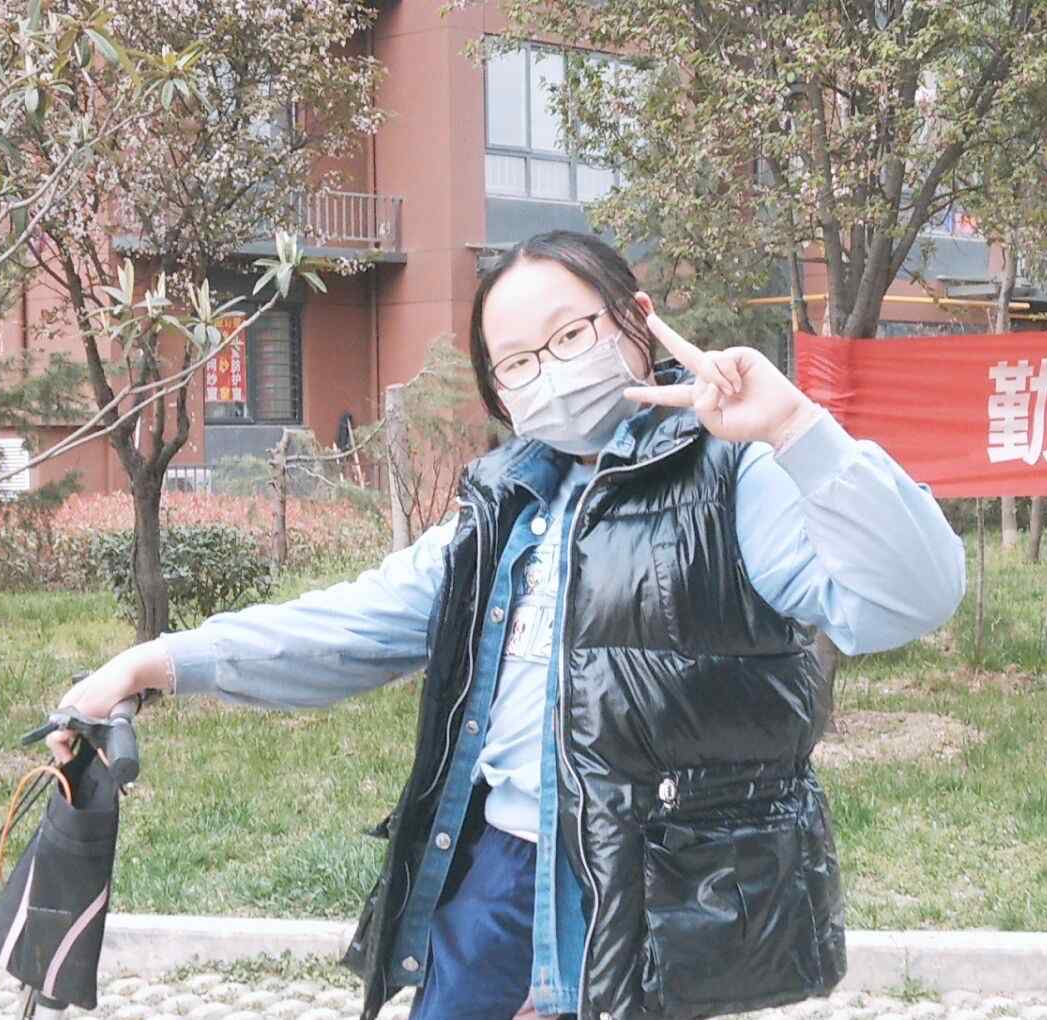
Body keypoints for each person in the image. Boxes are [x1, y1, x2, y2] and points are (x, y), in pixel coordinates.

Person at [48, 230, 967, 1020]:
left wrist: (797, 429)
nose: (548, 373)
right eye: (516, 362)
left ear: (635, 321)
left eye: (569, 336)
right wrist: (157, 661)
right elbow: (361, 620)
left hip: (660, 885)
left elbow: (907, 598)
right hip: (500, 872)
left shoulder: (732, 474)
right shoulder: (508, 503)